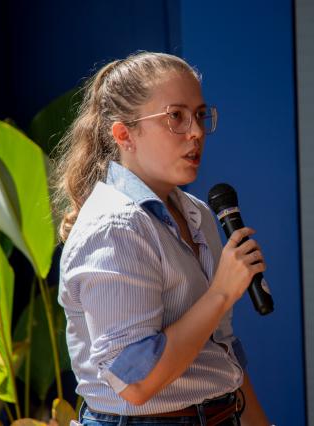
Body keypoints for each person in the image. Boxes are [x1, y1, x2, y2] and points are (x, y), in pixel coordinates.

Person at [54, 51, 272, 425]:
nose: (196, 132)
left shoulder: (198, 213)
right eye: (176, 117)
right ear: (124, 134)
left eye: (200, 115)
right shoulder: (115, 228)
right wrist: (221, 292)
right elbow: (137, 383)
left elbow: (221, 354)